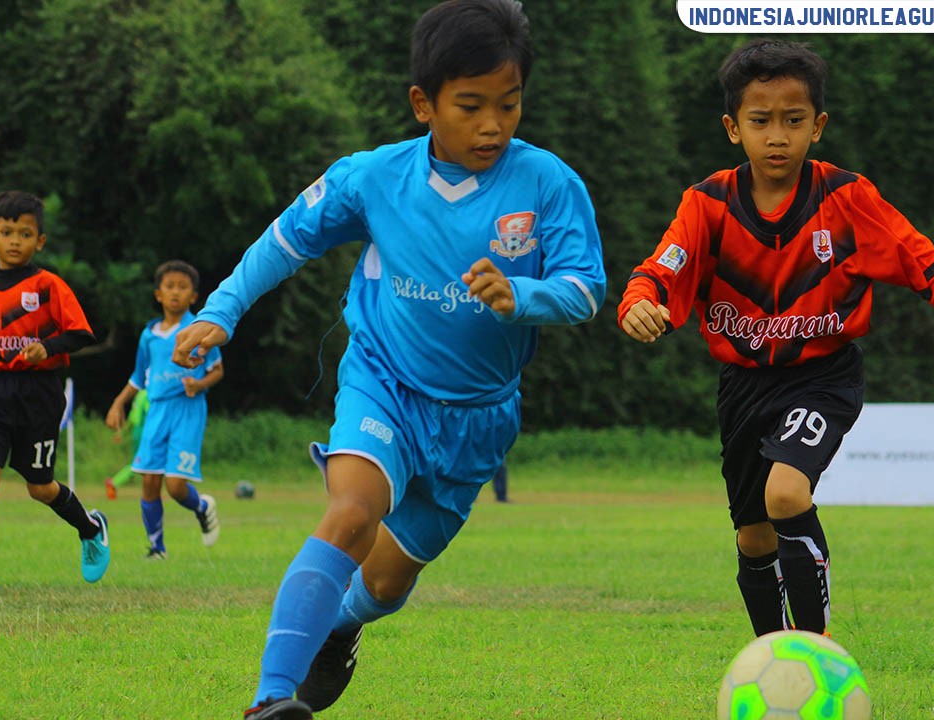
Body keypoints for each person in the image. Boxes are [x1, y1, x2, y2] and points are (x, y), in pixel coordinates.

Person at [173, 1, 606, 716]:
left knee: (384, 585)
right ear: (423, 104)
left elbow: (585, 288)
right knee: (350, 513)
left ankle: (339, 625)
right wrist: (221, 311)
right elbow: (286, 239)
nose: (493, 125)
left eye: (509, 103)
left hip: (478, 421)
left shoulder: (549, 183)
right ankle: (270, 700)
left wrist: (522, 295)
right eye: (471, 106)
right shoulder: (373, 177)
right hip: (383, 384)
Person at [618, 39, 934, 639]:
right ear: (732, 128)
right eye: (760, 121)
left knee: (787, 493)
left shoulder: (847, 199)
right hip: (743, 386)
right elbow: (658, 271)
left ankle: (817, 648)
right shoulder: (707, 204)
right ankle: (774, 655)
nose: (778, 136)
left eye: (793, 120)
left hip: (824, 376)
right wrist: (638, 302)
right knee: (753, 536)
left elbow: (928, 266)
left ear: (817, 126)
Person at [0, 190, 110, 606]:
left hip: (37, 395)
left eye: (25, 234)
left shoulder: (48, 286)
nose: (15, 241)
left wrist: (47, 347)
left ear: (40, 241)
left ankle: (90, 528)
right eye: (7, 232)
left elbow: (81, 333)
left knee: (39, 487)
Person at [105, 260, 223, 559]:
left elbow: (217, 370)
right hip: (156, 411)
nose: (175, 292)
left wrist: (199, 384)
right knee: (149, 479)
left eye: (182, 287)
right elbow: (139, 377)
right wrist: (119, 402)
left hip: (187, 410)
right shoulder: (149, 335)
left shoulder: (200, 330)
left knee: (175, 486)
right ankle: (157, 548)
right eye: (169, 286)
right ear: (158, 294)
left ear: (193, 296)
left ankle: (202, 507)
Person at [104, 387, 149, 500]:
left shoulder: (139, 395)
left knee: (142, 463)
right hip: (146, 432)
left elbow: (132, 417)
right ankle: (113, 482)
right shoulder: (149, 394)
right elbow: (152, 414)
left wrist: (122, 433)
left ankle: (150, 492)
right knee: (141, 464)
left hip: (137, 432)